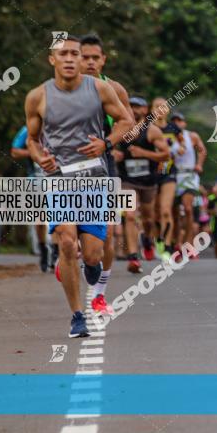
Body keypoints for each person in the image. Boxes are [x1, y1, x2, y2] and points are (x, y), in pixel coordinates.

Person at [24, 35, 133, 337]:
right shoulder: (37, 97)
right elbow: (32, 139)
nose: (70, 58)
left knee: (94, 253)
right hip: (58, 180)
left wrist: (106, 143)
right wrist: (39, 156)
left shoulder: (100, 88)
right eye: (64, 54)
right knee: (68, 243)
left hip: (94, 181)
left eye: (75, 53)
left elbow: (126, 120)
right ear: (52, 60)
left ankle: (92, 271)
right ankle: (76, 316)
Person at [80, 33, 134, 314]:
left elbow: (130, 124)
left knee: (110, 231)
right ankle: (68, 256)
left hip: (104, 164)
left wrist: (108, 142)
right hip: (66, 167)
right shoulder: (56, 89)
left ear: (103, 60)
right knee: (68, 230)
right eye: (84, 57)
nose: (89, 62)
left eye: (94, 58)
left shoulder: (113, 89)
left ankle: (99, 293)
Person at [115, 96, 171, 273]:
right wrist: (114, 154)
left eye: (138, 107)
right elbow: (107, 148)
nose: (134, 110)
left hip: (148, 181)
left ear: (145, 111)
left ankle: (148, 240)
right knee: (130, 215)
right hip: (126, 180)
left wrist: (143, 153)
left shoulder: (152, 131)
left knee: (148, 218)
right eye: (131, 106)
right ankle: (133, 257)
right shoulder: (118, 129)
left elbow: (165, 155)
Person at [10, 125, 50, 272]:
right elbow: (14, 151)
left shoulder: (60, 125)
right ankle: (43, 250)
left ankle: (57, 253)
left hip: (58, 179)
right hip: (35, 180)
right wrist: (33, 153)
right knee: (40, 220)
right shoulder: (28, 129)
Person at [171, 112, 207, 259]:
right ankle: (176, 244)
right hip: (172, 176)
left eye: (179, 121)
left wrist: (199, 164)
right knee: (173, 213)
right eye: (174, 121)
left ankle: (189, 245)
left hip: (189, 175)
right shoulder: (167, 137)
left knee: (188, 209)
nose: (177, 123)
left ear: (184, 123)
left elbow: (202, 150)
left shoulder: (192, 136)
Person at [152, 97, 182, 260]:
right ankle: (158, 240)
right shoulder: (147, 128)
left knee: (165, 210)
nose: (160, 109)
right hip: (151, 174)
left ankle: (169, 246)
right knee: (154, 214)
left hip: (169, 172)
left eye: (163, 106)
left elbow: (182, 144)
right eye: (156, 106)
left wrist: (180, 149)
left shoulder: (173, 128)